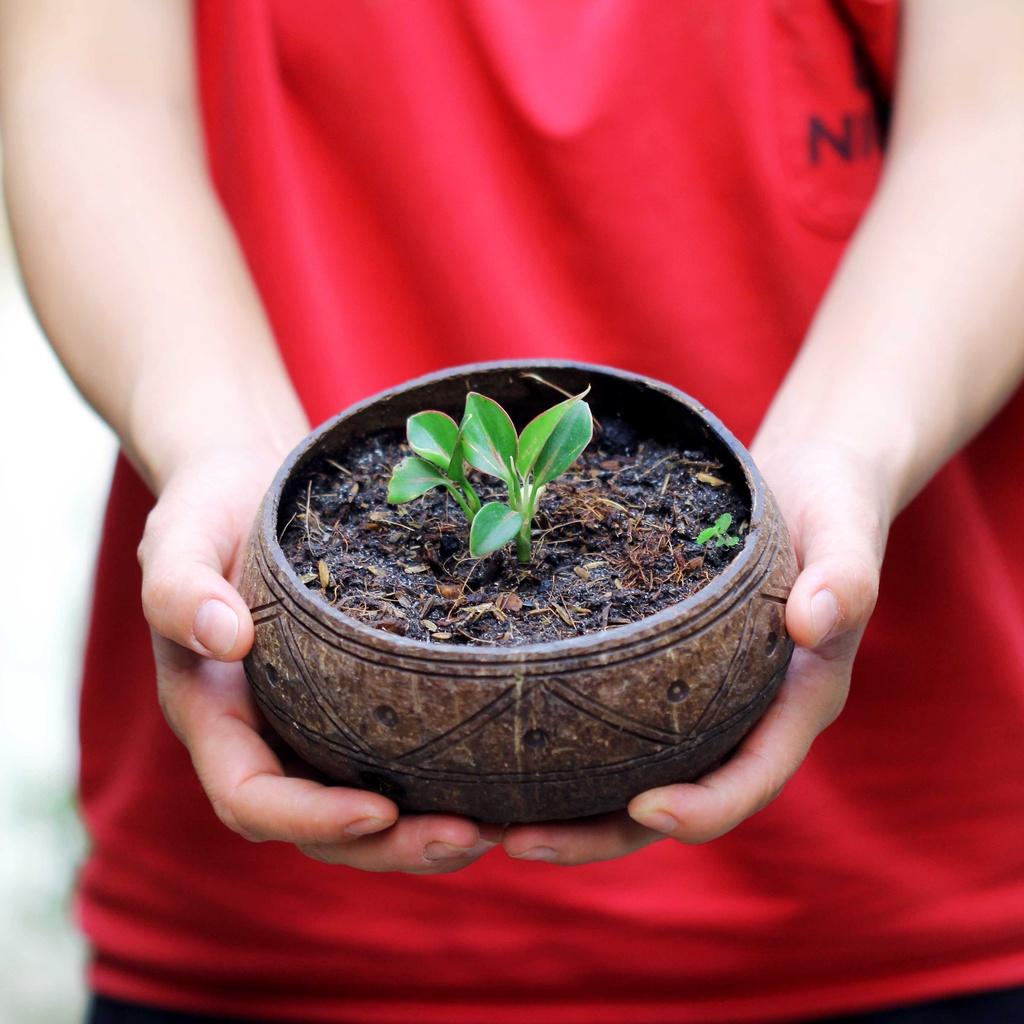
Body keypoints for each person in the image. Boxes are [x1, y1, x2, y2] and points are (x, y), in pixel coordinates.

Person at [2, 1, 1024, 1021]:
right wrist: (217, 444)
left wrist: (845, 452)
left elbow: (994, 115)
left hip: (894, 885)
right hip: (272, 932)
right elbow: (91, 82)